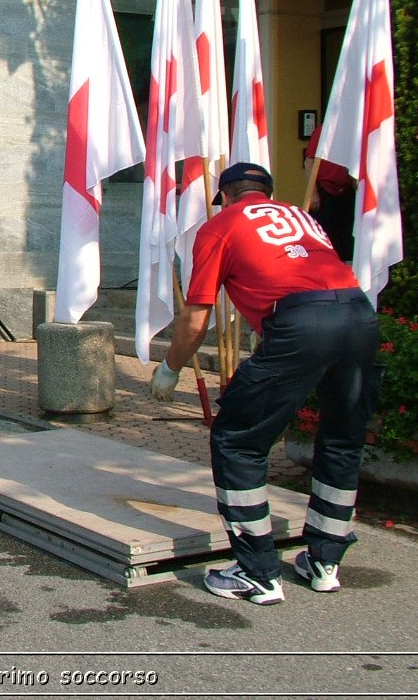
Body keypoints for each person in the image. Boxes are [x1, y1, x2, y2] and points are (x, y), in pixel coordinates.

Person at [151, 162, 381, 605]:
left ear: (227, 196)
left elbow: (196, 316)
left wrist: (171, 367)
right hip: (358, 315)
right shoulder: (305, 219)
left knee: (237, 440)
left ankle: (257, 572)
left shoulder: (221, 226)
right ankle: (324, 562)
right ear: (268, 193)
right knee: (341, 438)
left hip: (301, 324)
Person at [303, 125, 357, 262]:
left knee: (347, 239)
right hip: (323, 192)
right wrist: (313, 193)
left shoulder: (353, 131)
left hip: (347, 190)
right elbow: (309, 162)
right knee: (322, 238)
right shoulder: (323, 131)